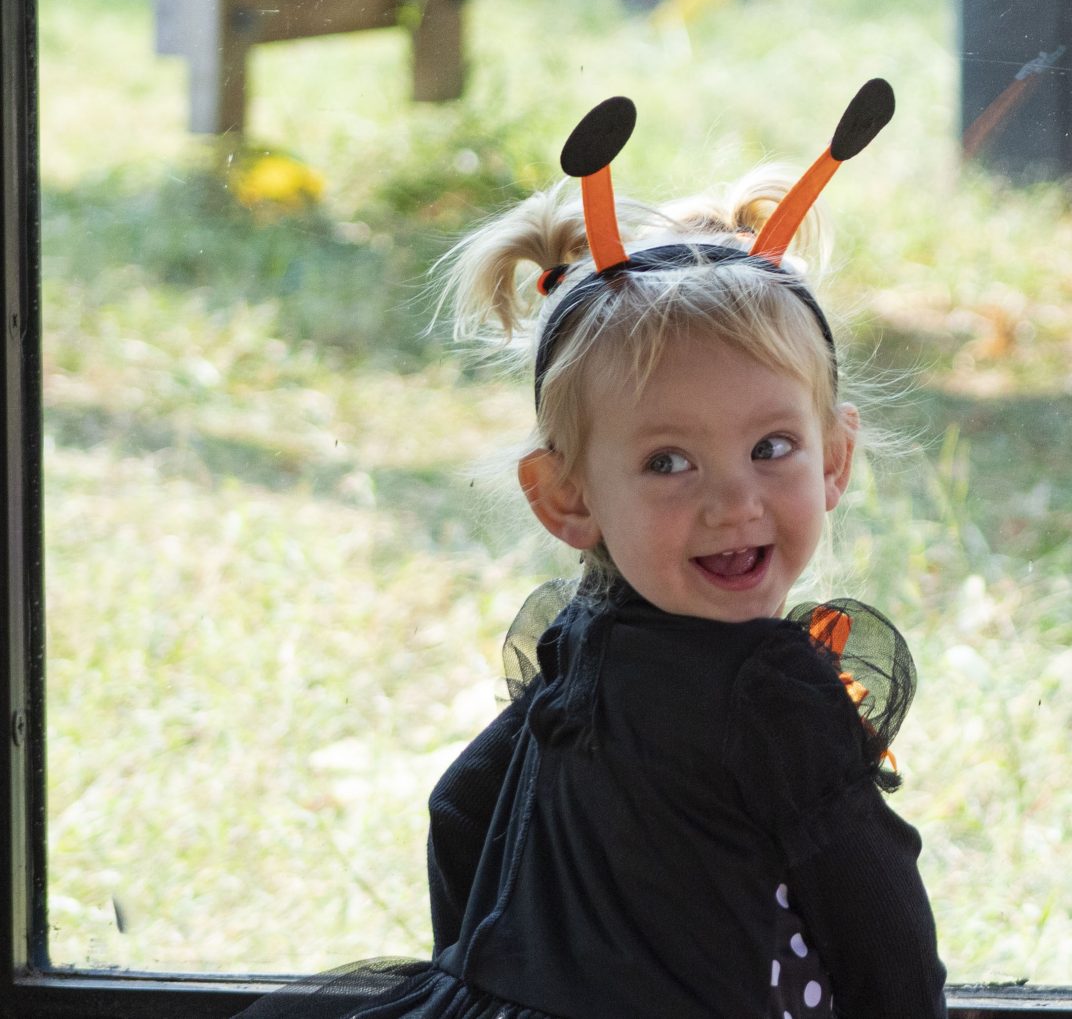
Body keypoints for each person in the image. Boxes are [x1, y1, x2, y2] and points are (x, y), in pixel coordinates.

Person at [240, 81, 943, 1019]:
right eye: (668, 461)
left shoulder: (582, 636)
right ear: (566, 497)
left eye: (771, 448)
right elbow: (878, 923)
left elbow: (461, 804)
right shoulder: (772, 695)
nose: (733, 500)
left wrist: (481, 973)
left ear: (835, 458)